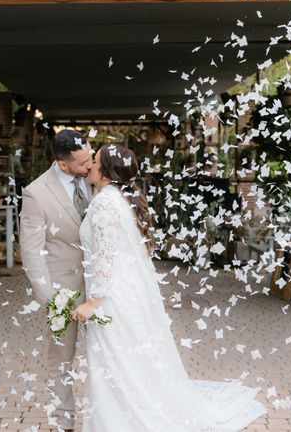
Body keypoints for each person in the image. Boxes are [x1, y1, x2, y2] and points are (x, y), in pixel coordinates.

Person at [72, 143, 267, 432]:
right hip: (126, 293)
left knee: (115, 363)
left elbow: (106, 260)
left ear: (107, 173)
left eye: (95, 162)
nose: (89, 166)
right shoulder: (118, 199)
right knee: (128, 362)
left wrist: (93, 303)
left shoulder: (104, 204)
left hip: (111, 298)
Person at [20, 129, 93, 432]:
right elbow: (31, 250)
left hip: (101, 287)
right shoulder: (36, 193)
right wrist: (50, 298)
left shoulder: (97, 179)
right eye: (82, 164)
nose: (89, 167)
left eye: (90, 158)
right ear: (62, 164)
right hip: (63, 291)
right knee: (61, 359)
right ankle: (63, 421)